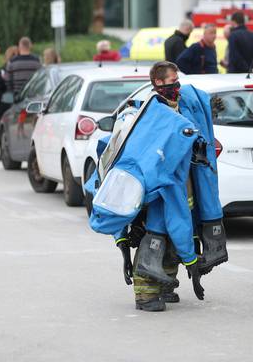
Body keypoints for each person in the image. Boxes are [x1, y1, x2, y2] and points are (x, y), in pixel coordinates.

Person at [86, 61, 227, 312]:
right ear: (158, 83)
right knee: (155, 235)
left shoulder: (183, 105)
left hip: (183, 185)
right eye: (172, 80)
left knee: (175, 235)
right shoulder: (149, 113)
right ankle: (145, 295)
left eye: (177, 79)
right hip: (154, 190)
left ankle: (165, 286)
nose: (177, 85)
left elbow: (196, 110)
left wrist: (210, 108)